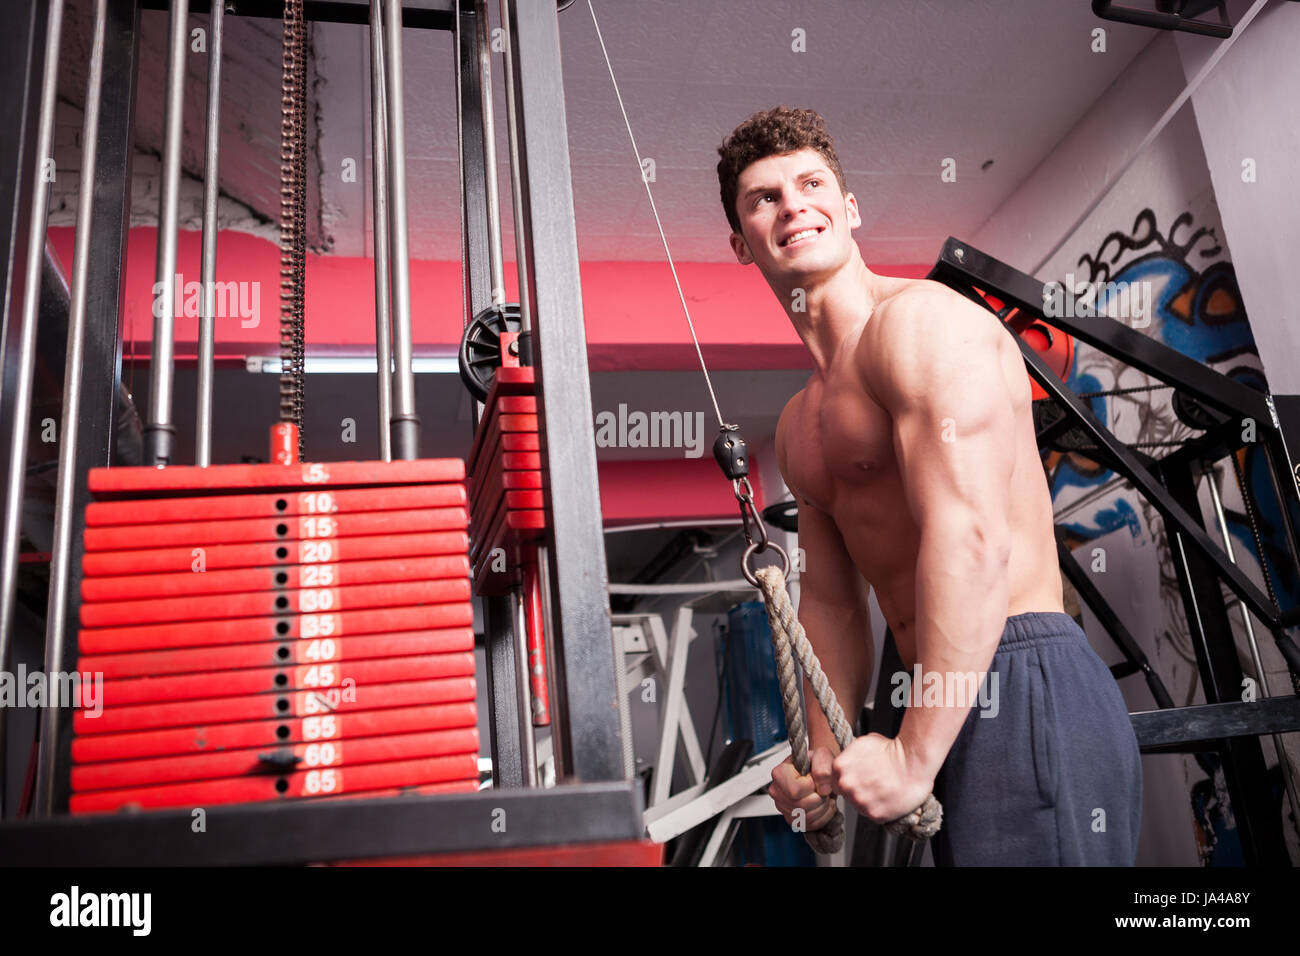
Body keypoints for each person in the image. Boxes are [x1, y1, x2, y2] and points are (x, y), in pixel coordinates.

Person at [716, 106, 1141, 865]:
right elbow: (834, 604)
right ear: (740, 244)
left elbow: (969, 535)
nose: (792, 207)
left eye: (810, 183)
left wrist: (914, 755)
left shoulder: (922, 328)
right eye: (764, 198)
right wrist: (818, 759)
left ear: (849, 208)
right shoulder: (798, 421)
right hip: (932, 694)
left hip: (1018, 666)